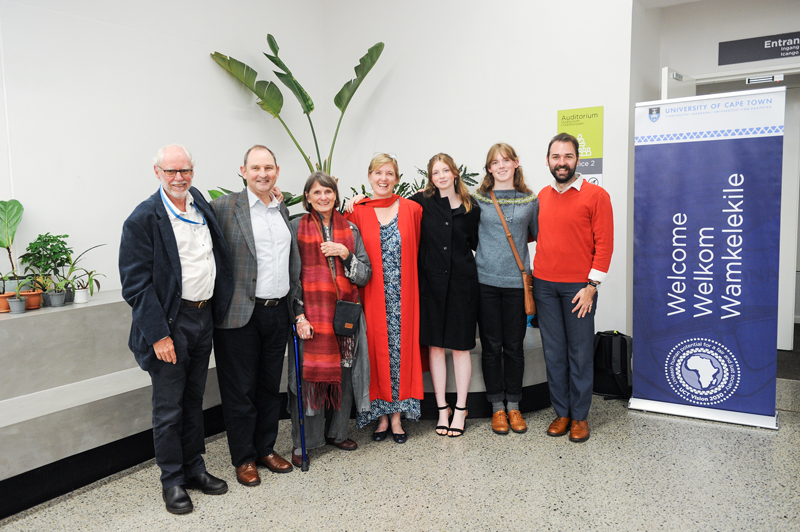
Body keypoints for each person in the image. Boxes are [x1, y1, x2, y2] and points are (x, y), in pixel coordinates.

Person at [119, 144, 233, 515]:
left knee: (193, 400)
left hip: (203, 318)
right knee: (168, 408)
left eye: (184, 170)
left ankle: (194, 468)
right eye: (171, 171)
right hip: (170, 323)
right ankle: (172, 480)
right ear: (157, 173)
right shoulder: (143, 218)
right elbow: (136, 285)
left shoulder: (197, 201)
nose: (179, 177)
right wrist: (158, 335)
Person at [210, 145, 298, 486]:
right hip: (238, 315)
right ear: (243, 171)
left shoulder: (282, 208)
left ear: (277, 171)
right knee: (239, 390)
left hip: (277, 313)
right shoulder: (224, 208)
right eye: (256, 167)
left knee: (267, 387)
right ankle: (243, 458)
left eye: (269, 167)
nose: (263, 173)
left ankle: (265, 448)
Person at [286, 172, 372, 464]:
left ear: (336, 195)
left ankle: (337, 432)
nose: (323, 197)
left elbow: (364, 275)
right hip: (310, 316)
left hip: (345, 318)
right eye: (317, 192)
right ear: (307, 197)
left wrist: (346, 254)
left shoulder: (350, 229)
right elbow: (291, 277)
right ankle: (305, 443)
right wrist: (298, 315)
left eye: (329, 192)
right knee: (308, 378)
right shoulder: (296, 228)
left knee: (343, 376)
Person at [534, 132, 613, 443]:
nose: (562, 162)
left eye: (567, 156)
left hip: (579, 289)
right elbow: (528, 233)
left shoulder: (596, 195)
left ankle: (580, 417)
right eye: (556, 157)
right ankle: (562, 412)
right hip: (544, 286)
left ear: (577, 160)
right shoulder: (541, 195)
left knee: (579, 353)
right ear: (548, 161)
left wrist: (592, 285)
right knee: (553, 353)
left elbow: (604, 245)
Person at [346, 153, 424, 443]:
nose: (383, 178)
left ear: (397, 179)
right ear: (369, 177)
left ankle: (397, 416)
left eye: (389, 173)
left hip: (404, 296)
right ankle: (380, 417)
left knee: (400, 353)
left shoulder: (413, 210)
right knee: (375, 352)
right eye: (378, 173)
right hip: (370, 295)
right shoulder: (357, 211)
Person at [409, 153, 480, 437]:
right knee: (436, 348)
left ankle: (461, 409)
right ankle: (442, 408)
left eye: (445, 170)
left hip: (463, 286)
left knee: (461, 348)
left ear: (455, 173)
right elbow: (387, 206)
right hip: (431, 287)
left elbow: (476, 243)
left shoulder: (471, 207)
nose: (440, 176)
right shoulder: (419, 202)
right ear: (431, 177)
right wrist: (356, 202)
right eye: (435, 172)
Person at [472, 143, 538, 436]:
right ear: (489, 168)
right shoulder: (477, 200)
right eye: (494, 162)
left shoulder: (530, 200)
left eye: (506, 160)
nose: (500, 166)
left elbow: (535, 235)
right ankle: (497, 407)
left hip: (516, 285)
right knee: (491, 348)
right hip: (485, 282)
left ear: (515, 163)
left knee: (514, 348)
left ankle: (514, 405)